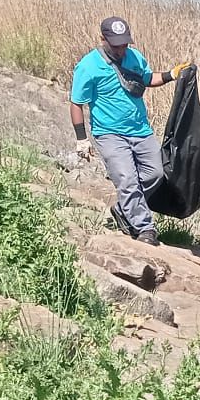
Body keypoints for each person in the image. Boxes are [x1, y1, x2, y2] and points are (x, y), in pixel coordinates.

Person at [70, 15, 179, 245]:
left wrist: (172, 75)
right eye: (116, 44)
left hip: (141, 130)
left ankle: (123, 209)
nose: (121, 49)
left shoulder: (134, 57)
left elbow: (148, 78)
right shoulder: (88, 66)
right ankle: (145, 229)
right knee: (127, 179)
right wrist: (82, 139)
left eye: (124, 43)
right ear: (103, 39)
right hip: (109, 133)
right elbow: (76, 102)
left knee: (156, 174)